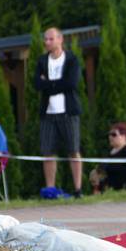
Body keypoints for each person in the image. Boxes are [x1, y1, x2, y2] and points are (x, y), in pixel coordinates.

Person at [35, 27, 84, 197]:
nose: (47, 42)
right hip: (48, 114)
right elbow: (37, 85)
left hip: (68, 112)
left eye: (50, 39)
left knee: (73, 150)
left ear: (60, 39)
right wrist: (56, 84)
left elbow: (71, 83)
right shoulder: (42, 61)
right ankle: (50, 189)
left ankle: (78, 189)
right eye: (45, 39)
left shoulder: (71, 59)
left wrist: (49, 84)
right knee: (48, 151)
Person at [89, 122, 126, 194]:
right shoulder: (109, 154)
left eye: (114, 135)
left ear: (124, 136)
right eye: (109, 135)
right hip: (108, 193)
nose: (110, 137)